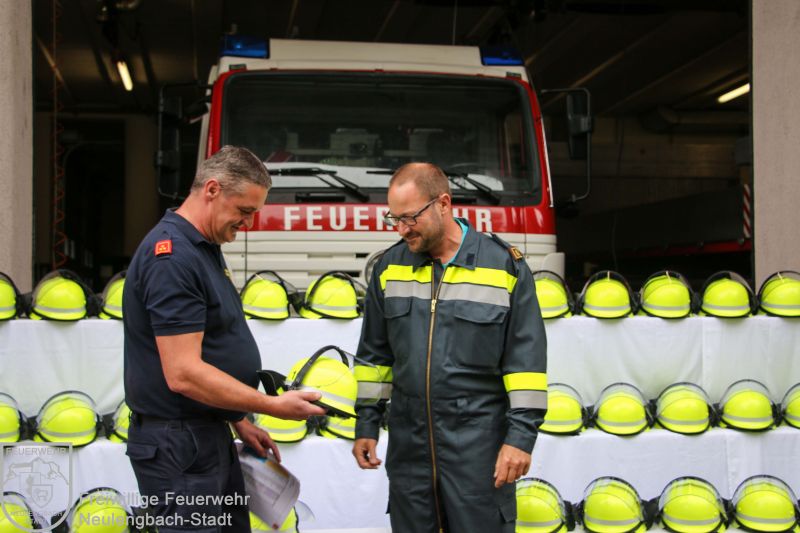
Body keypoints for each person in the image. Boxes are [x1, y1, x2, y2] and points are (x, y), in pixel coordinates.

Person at [123, 145, 325, 532]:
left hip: (202, 433)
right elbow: (183, 373)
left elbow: (212, 347)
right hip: (180, 445)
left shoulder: (202, 247)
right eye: (244, 210)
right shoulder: (173, 258)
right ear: (212, 190)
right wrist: (271, 406)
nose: (248, 222)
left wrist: (238, 419)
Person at [352, 162, 548, 532]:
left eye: (409, 217)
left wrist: (520, 438)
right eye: (394, 218)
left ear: (443, 203)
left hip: (479, 450)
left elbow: (526, 365)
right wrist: (367, 423)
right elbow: (375, 357)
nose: (401, 229)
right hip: (409, 450)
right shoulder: (388, 268)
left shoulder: (504, 267)